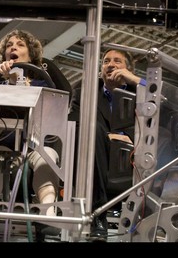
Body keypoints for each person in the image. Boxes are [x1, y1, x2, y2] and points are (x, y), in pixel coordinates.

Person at [0, 29, 61, 241]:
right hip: (4, 144)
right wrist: (3, 80)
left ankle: (48, 215)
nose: (14, 47)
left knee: (48, 158)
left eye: (20, 45)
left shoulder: (43, 83)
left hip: (36, 145)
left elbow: (52, 109)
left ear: (30, 56)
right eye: (10, 45)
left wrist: (22, 84)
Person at [69, 48, 145, 241]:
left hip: (131, 157)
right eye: (106, 61)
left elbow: (163, 101)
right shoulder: (86, 91)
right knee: (91, 129)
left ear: (128, 69)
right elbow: (74, 122)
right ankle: (98, 217)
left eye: (117, 61)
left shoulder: (141, 92)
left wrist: (134, 79)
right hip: (94, 154)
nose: (110, 64)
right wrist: (107, 136)